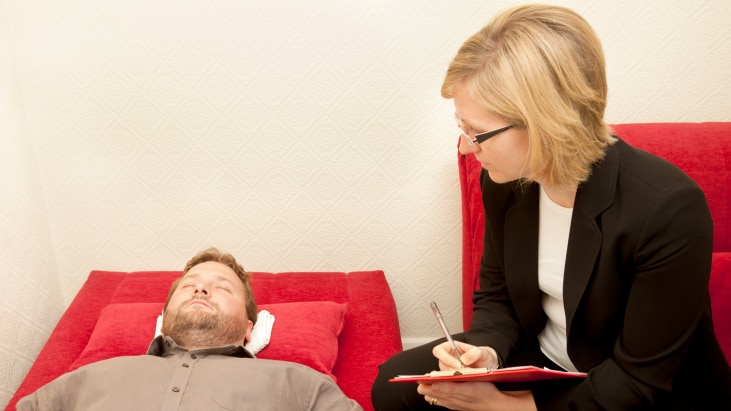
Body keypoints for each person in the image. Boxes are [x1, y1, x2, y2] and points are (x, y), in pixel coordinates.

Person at [371, 4, 731, 410]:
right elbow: (497, 297)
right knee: (394, 386)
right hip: (549, 365)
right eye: (462, 127)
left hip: (635, 391)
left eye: (478, 132)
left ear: (545, 121)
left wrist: (511, 407)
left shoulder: (668, 209)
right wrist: (486, 353)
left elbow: (636, 382)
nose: (467, 147)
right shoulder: (505, 181)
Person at [18, 247, 362, 411]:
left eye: (223, 288)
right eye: (188, 286)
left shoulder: (299, 383)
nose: (201, 289)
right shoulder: (87, 378)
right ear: (164, 316)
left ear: (248, 328)